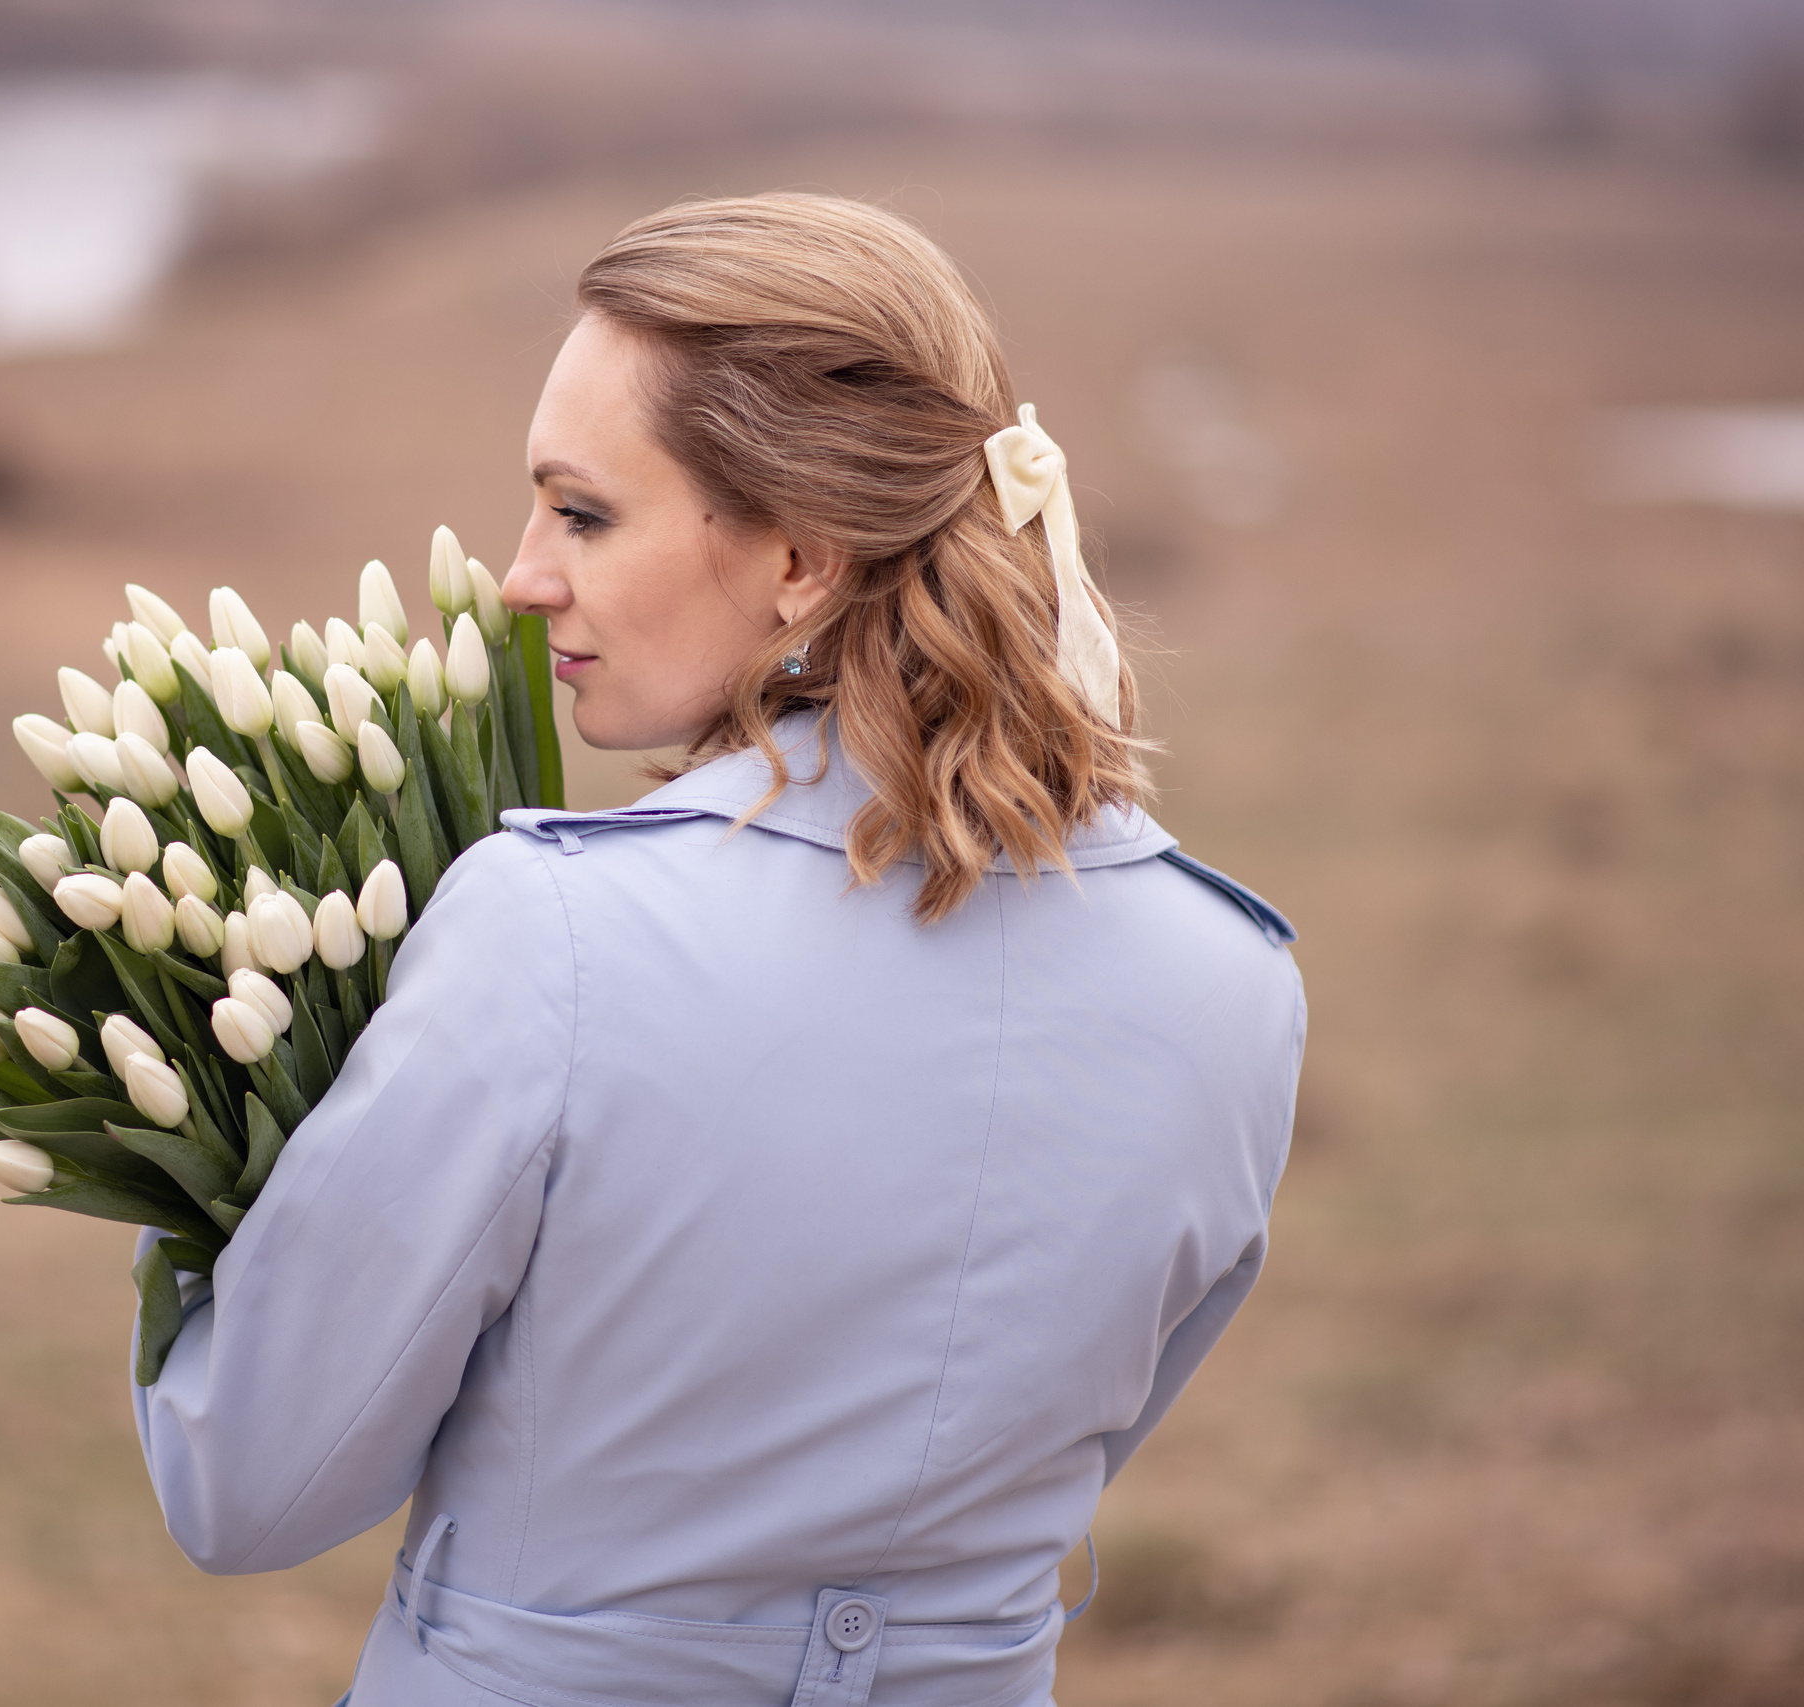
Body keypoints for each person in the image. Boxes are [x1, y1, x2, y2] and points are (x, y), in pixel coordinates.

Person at [134, 193, 1305, 1707]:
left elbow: (249, 1488)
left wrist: (186, 1108)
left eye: (583, 513)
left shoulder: (551, 936)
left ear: (805, 561)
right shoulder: (1237, 984)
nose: (521, 577)